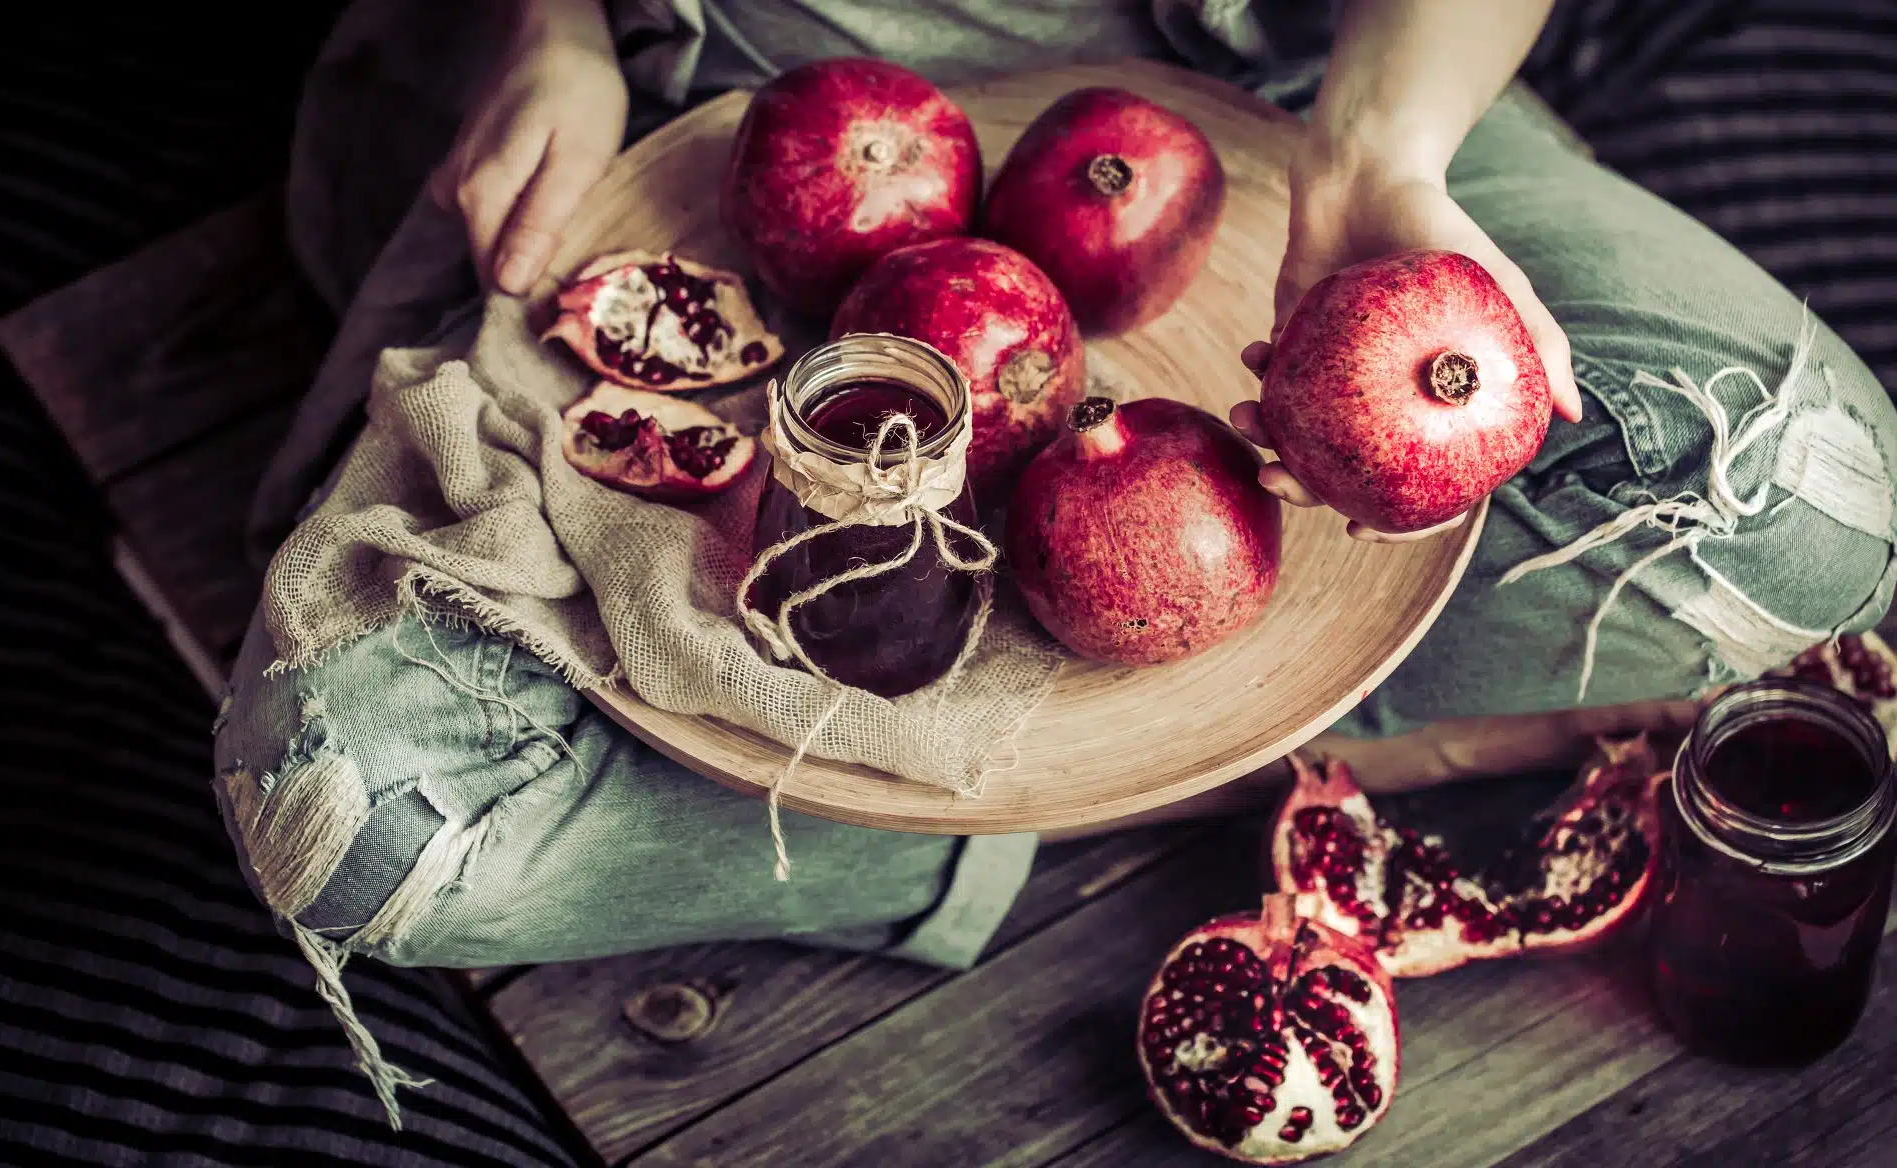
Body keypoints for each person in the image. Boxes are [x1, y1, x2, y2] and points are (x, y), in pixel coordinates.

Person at [216, 0, 1897, 1113]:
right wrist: (549, 22)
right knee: (344, 818)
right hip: (727, 92)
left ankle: (925, 793)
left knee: (1814, 504)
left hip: (1313, 85)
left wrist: (1387, 145)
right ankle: (1142, 775)